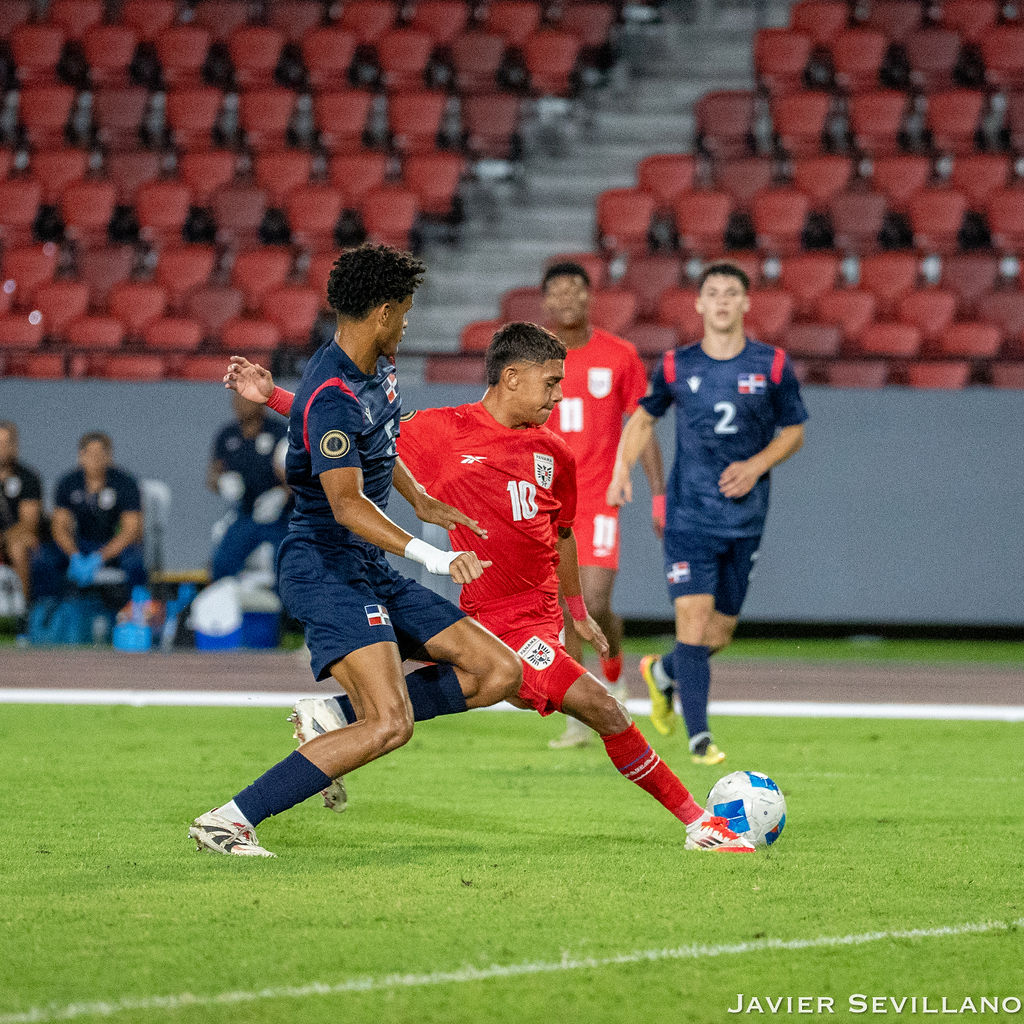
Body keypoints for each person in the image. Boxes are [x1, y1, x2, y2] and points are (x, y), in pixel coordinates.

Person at [224, 323, 755, 854]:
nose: (558, 394)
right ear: (511, 377)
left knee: (494, 689)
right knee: (605, 709)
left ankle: (338, 713)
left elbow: (563, 532)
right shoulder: (441, 431)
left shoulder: (556, 453)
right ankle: (699, 824)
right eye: (550, 383)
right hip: (501, 621)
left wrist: (576, 609)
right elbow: (341, 425)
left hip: (544, 615)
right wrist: (272, 395)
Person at [189, 243, 524, 858]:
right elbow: (345, 503)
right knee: (390, 724)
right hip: (325, 566)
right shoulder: (333, 393)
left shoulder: (372, 371)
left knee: (500, 672)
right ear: (383, 312)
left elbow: (371, 439)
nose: (407, 323)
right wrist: (434, 555)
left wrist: (420, 500)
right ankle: (229, 819)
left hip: (367, 565)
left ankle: (336, 714)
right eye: (405, 312)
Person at [607, 262, 808, 765]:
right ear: (698, 304)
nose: (721, 301)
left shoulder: (773, 364)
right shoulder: (677, 365)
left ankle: (663, 673)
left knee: (718, 634)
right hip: (689, 517)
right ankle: (700, 739)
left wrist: (756, 464)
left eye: (731, 293)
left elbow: (794, 431)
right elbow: (642, 419)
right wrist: (620, 472)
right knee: (692, 621)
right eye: (712, 293)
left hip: (745, 517)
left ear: (745, 303)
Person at [540, 260, 666, 749]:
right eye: (558, 291)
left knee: (591, 604)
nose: (567, 298)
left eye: (576, 289)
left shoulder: (620, 355)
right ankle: (577, 713)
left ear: (590, 297)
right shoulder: (535, 359)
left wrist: (658, 494)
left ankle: (613, 676)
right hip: (546, 503)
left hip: (598, 500)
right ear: (546, 301)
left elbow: (643, 423)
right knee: (561, 609)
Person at [30, 431, 147, 599]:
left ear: (109, 456)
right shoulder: (69, 483)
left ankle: (137, 610)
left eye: (100, 453)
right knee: (43, 560)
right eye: (90, 454)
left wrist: (100, 557)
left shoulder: (125, 483)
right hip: (80, 544)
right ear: (81, 455)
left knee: (134, 562)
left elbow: (131, 530)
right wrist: (74, 554)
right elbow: (59, 526)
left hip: (113, 546)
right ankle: (46, 610)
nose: (95, 459)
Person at [207, 392, 291, 581]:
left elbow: (299, 478)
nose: (240, 404)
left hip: (281, 517)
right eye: (236, 399)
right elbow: (212, 476)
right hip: (245, 514)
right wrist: (221, 483)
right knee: (222, 563)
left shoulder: (280, 433)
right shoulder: (227, 434)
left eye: (245, 399)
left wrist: (281, 495)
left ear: (261, 402)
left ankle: (284, 608)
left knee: (286, 565)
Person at [0, 420, 43, 610]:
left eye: (6, 443)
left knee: (19, 547)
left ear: (15, 446)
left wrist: (2, 539)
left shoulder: (27, 478)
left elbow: (28, 524)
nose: (1, 448)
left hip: (15, 538)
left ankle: (21, 615)